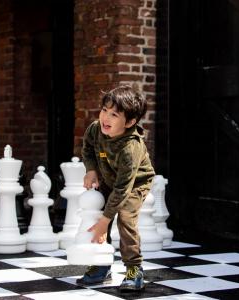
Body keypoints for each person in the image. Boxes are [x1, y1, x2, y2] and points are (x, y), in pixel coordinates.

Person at [77, 84, 155, 292]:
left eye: (114, 114)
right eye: (104, 110)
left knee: (125, 217)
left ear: (129, 122)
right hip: (109, 177)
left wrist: (106, 220)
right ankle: (102, 264)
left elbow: (123, 189)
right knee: (98, 216)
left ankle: (134, 269)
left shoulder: (131, 148)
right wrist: (91, 169)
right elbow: (88, 148)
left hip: (135, 183)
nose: (105, 118)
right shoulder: (95, 129)